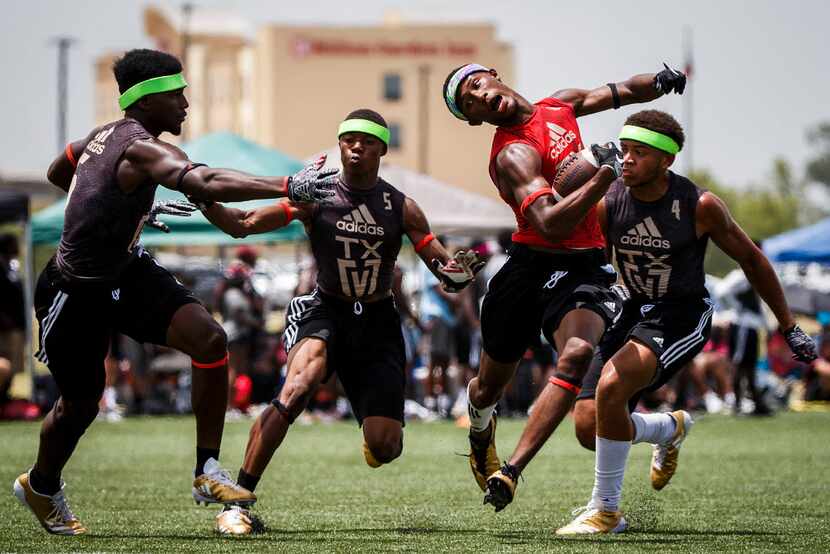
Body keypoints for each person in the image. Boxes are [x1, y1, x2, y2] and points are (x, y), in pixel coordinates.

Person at [13, 48, 337, 536]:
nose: (186, 102)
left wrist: (122, 210)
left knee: (209, 339)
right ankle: (40, 485)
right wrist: (289, 184)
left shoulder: (101, 136)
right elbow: (204, 178)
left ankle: (207, 470)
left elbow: (64, 172)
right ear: (149, 100)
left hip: (124, 272)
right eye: (177, 93)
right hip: (74, 289)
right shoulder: (140, 147)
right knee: (80, 403)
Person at [189, 109, 482, 534]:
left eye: (365, 140)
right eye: (348, 139)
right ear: (340, 145)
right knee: (297, 388)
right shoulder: (315, 196)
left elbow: (443, 269)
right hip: (326, 310)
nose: (355, 146)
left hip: (378, 321)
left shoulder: (402, 207)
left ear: (382, 148)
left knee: (386, 447)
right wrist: (206, 199)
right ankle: (238, 504)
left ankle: (373, 433)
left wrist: (457, 274)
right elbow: (244, 224)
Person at [556, 110, 817, 534]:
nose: (626, 161)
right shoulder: (610, 200)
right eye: (624, 151)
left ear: (666, 161)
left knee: (612, 386)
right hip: (630, 309)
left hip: (681, 315)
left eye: (639, 153)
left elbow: (751, 260)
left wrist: (788, 326)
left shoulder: (700, 205)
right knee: (589, 428)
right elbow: (591, 259)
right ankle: (668, 428)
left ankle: (605, 511)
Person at [441, 62, 687, 506]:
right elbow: (550, 224)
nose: (479, 97)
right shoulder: (511, 154)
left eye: (478, 85)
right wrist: (606, 175)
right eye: (469, 103)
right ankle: (481, 430)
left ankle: (512, 471)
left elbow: (616, 91)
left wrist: (659, 82)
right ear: (476, 119)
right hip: (528, 268)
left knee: (575, 354)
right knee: (487, 387)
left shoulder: (559, 105)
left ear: (493, 75)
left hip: (582, 269)